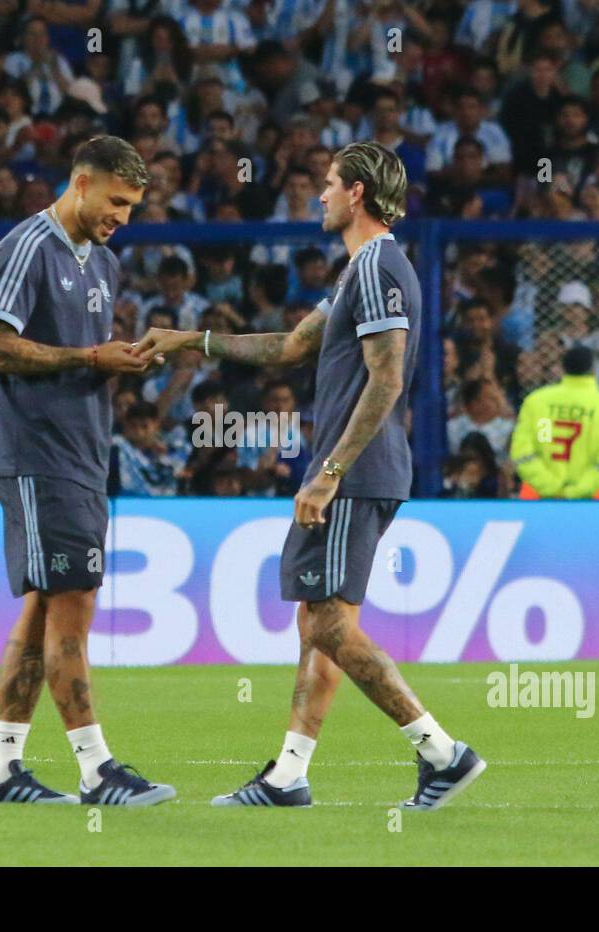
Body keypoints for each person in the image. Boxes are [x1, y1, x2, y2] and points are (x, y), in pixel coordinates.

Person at [134, 142, 487, 810]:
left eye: (327, 185)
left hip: (357, 472)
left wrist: (328, 472)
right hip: (361, 470)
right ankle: (289, 776)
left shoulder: (380, 264)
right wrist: (189, 340)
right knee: (319, 620)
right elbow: (289, 347)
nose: (317, 196)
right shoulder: (359, 270)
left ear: (356, 193)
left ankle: (442, 752)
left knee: (327, 623)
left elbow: (386, 378)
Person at [0, 135, 175, 807]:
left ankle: (1, 770)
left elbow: (89, 355)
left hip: (83, 456)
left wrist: (119, 360)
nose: (122, 215)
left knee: (42, 611)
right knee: (73, 605)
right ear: (80, 182)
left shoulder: (105, 263)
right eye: (116, 200)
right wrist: (92, 359)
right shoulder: (28, 246)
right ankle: (97, 769)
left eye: (132, 206)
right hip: (38, 455)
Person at [509, 345, 599, 500]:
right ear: (593, 370)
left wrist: (550, 486)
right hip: (593, 498)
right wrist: (576, 491)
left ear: (562, 368)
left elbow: (525, 451)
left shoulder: (539, 401)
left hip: (539, 497)